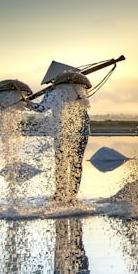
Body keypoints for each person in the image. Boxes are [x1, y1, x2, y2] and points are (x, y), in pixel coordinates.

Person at [31, 70, 92, 204]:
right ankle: (67, 195)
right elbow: (42, 108)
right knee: (72, 163)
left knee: (65, 163)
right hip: (70, 132)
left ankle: (66, 194)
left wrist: (27, 104)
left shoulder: (69, 90)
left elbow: (41, 108)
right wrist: (27, 103)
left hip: (74, 132)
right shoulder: (75, 89)